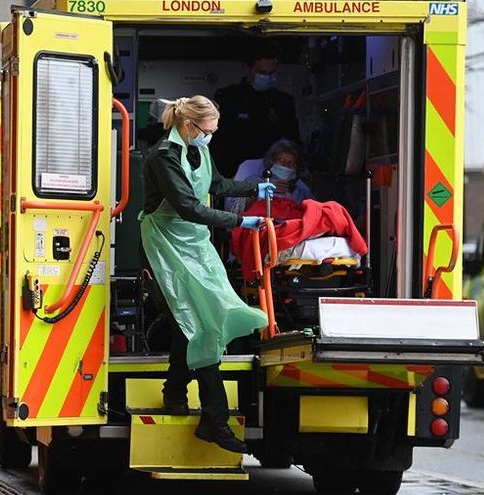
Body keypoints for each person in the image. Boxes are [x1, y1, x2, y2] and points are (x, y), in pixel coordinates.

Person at [140, 95, 273, 453]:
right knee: (194, 324)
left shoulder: (198, 149)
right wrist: (239, 221)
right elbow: (188, 207)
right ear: (188, 125)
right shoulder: (163, 157)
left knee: (198, 323)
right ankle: (214, 419)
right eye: (207, 130)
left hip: (196, 244)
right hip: (165, 245)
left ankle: (178, 396)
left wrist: (253, 187)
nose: (210, 136)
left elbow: (217, 185)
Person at [210, 42, 300, 177]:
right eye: (262, 73)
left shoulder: (283, 102)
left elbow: (292, 141)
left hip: (274, 174)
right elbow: (217, 143)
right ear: (246, 69)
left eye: (271, 73)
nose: (267, 77)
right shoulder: (228, 99)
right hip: (233, 172)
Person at [226, 138, 314, 213]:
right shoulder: (254, 182)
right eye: (282, 161)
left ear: (296, 168)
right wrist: (259, 191)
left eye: (291, 163)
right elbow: (233, 210)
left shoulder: (300, 192)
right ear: (272, 161)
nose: (286, 166)